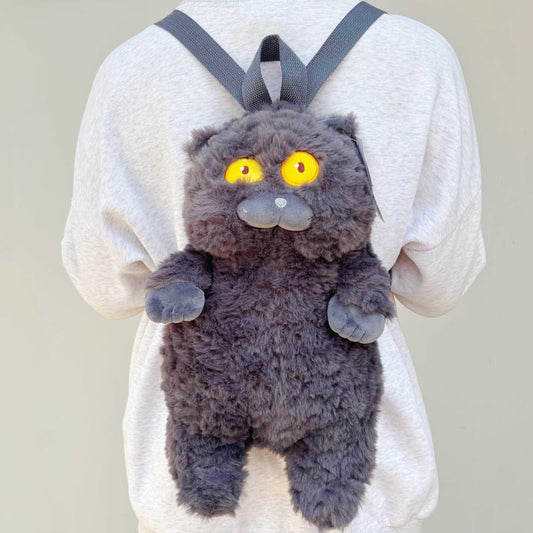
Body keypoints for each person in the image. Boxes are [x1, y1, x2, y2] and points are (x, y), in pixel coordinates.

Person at [61, 1, 486, 532]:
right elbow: (439, 284)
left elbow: (106, 287)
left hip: (185, 510)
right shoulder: (420, 57)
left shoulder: (132, 68)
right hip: (372, 503)